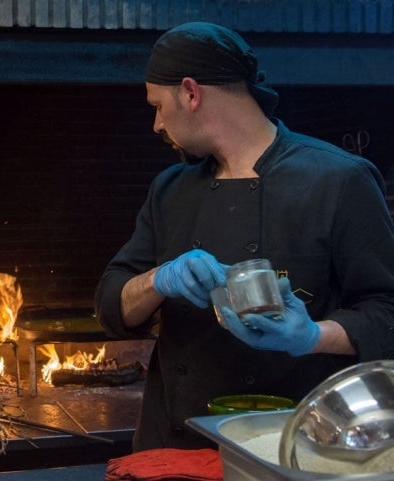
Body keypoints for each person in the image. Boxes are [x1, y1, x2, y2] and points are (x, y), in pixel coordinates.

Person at [94, 21, 394, 452]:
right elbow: (109, 305)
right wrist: (160, 278)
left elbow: (387, 314)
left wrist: (312, 335)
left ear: (191, 92)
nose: (156, 124)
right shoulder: (170, 189)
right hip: (174, 445)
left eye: (158, 105)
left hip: (291, 447)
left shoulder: (339, 180)